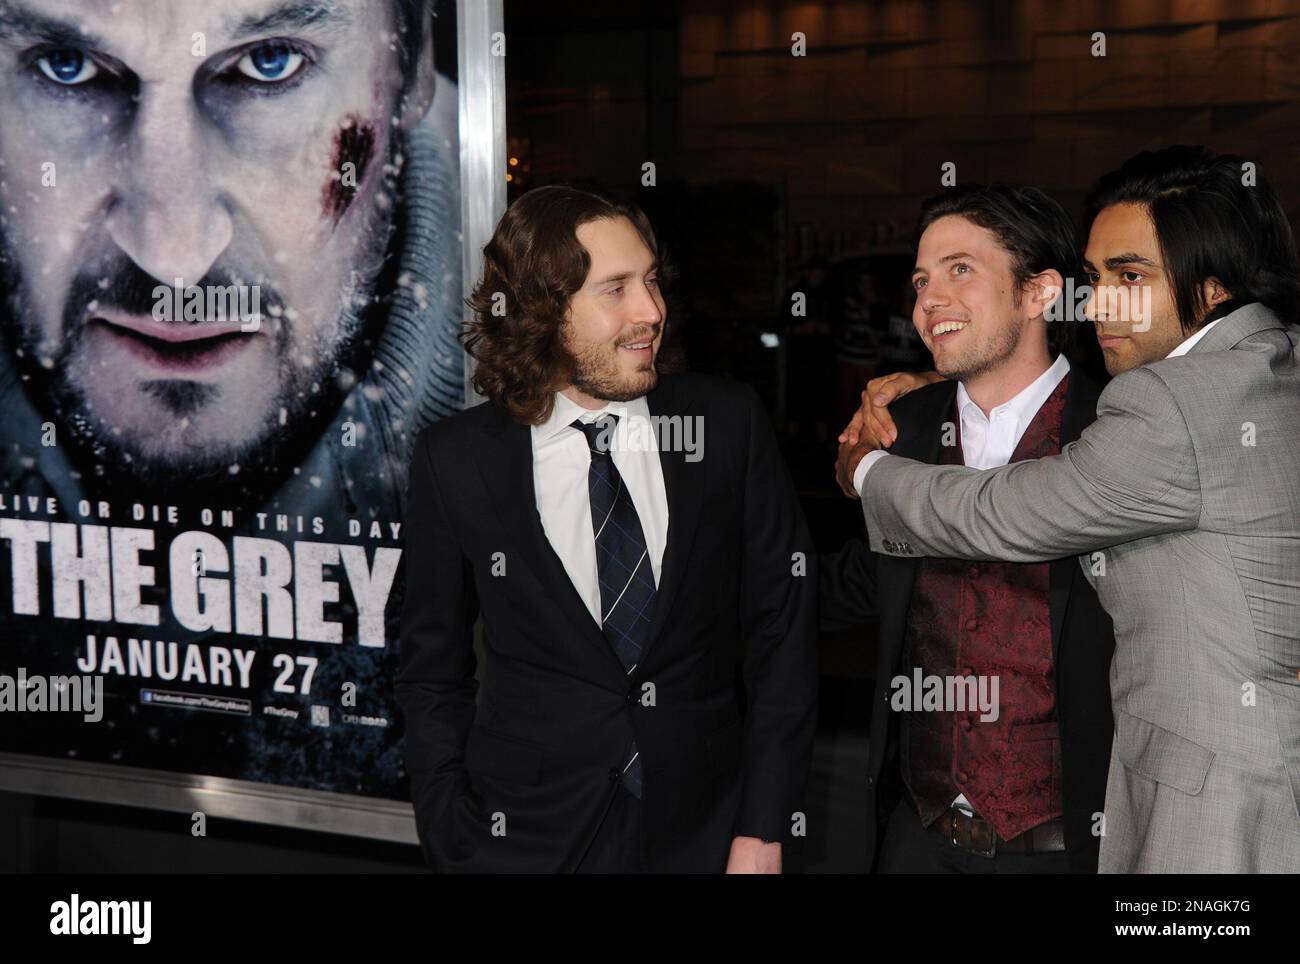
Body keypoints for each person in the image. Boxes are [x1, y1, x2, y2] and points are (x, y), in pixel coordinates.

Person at [0, 0, 463, 795]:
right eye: (67, 68)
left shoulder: (546, 423)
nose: (174, 253)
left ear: (412, 61)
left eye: (269, 62)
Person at [839, 146, 1300, 873]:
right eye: (1096, 279)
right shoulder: (1273, 367)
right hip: (922, 829)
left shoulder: (1155, 406)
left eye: (1129, 276)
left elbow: (1009, 513)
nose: (1101, 303)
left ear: (1210, 290)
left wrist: (864, 469)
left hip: (1196, 815)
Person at [398, 185, 818, 873]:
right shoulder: (457, 460)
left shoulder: (726, 426)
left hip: (708, 835)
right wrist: (451, 832)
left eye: (652, 282)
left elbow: (783, 633)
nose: (651, 311)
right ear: (543, 308)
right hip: (525, 838)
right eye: (615, 289)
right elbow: (430, 668)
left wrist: (764, 828)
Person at [821, 184, 1114, 873]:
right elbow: (866, 581)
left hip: (1066, 848)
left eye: (961, 270)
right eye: (921, 279)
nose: (929, 300)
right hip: (917, 839)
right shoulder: (898, 428)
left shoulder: (1117, 431)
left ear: (1040, 291)